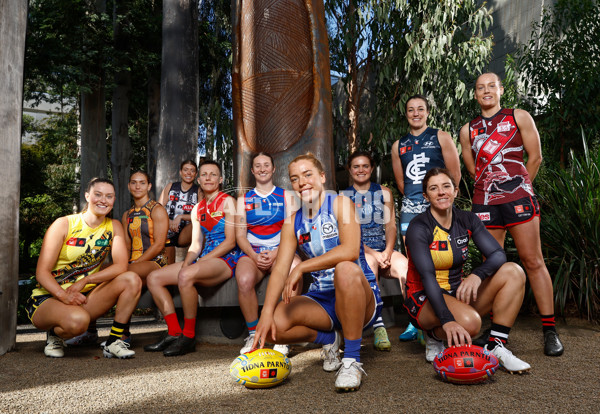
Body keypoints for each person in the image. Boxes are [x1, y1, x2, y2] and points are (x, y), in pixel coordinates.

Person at [252, 153, 383, 392]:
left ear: (322, 177)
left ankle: (352, 360)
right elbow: (280, 268)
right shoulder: (292, 222)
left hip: (359, 296)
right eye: (294, 178)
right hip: (323, 301)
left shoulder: (340, 203)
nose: (302, 182)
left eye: (307, 174)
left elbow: (351, 250)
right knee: (275, 325)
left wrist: (302, 266)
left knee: (345, 268)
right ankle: (329, 339)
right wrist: (265, 313)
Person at [459, 72, 564, 357]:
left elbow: (536, 156)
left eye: (491, 86)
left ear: (501, 89)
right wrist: (494, 192)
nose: (486, 91)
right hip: (485, 202)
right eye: (480, 88)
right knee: (491, 264)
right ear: (476, 94)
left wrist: (519, 189)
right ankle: (495, 331)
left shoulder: (518, 116)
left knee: (533, 260)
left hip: (518, 198)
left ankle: (550, 330)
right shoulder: (468, 129)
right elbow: (472, 170)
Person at [404, 168, 530, 373]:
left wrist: (477, 275)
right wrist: (447, 321)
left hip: (456, 292)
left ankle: (496, 345)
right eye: (434, 188)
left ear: (455, 191)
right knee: (471, 325)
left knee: (513, 272)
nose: (441, 192)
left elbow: (498, 254)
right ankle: (433, 334)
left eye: (446, 186)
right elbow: (427, 277)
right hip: (423, 297)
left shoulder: (467, 219)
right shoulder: (419, 227)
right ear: (426, 197)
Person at [25, 178, 141, 359]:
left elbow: (120, 266)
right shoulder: (64, 224)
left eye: (109, 196)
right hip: (48, 297)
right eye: (98, 194)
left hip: (82, 296)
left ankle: (114, 341)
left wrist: (86, 280)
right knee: (78, 322)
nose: (103, 200)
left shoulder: (114, 226)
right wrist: (64, 295)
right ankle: (55, 334)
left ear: (114, 200)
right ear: (87, 196)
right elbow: (41, 273)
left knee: (131, 279)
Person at [144, 161, 240, 356]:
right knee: (154, 278)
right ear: (199, 179)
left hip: (227, 258)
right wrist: (187, 264)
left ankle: (188, 337)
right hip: (204, 258)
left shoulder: (228, 201)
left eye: (213, 174)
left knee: (186, 276)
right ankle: (173, 331)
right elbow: (195, 245)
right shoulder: (197, 209)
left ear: (220, 180)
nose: (208, 178)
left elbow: (230, 242)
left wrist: (199, 263)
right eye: (204, 174)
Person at [66, 171, 169, 346]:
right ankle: (90, 332)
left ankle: (121, 335)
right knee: (98, 272)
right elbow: (126, 247)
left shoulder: (157, 209)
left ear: (149, 186)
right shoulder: (126, 215)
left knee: (122, 273)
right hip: (133, 263)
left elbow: (159, 245)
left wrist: (136, 262)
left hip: (156, 262)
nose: (137, 186)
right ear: (129, 186)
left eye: (142, 183)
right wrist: (124, 263)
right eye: (134, 183)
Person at [391, 94, 461, 342]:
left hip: (438, 206)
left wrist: (442, 200)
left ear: (428, 112)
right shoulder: (398, 145)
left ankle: (443, 311)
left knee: (442, 256)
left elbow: (454, 174)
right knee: (413, 264)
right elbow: (401, 182)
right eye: (411, 110)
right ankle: (415, 318)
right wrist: (416, 201)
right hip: (412, 207)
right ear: (406, 114)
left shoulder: (441, 136)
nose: (416, 113)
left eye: (420, 109)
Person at [235, 152, 301, 355]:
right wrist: (254, 256)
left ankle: (283, 333)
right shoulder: (243, 199)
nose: (262, 169)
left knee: (295, 269)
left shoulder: (286, 196)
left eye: (266, 165)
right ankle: (254, 333)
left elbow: (294, 231)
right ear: (253, 170)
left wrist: (276, 252)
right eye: (258, 165)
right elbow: (240, 234)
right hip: (252, 253)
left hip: (281, 250)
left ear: (273, 169)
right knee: (244, 279)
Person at [342, 151, 408, 351]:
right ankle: (379, 326)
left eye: (365, 166)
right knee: (370, 265)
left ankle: (418, 322)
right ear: (350, 170)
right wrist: (373, 253)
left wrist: (388, 251)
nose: (361, 170)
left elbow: (390, 226)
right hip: (360, 251)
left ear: (371, 169)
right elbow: (347, 235)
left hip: (384, 249)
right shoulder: (343, 197)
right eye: (356, 166)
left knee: (405, 266)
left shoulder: (384, 192)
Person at [159, 159, 203, 264]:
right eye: (186, 170)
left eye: (192, 170)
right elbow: (158, 208)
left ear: (196, 174)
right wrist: (168, 221)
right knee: (167, 265)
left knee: (201, 225)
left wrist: (181, 217)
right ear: (180, 172)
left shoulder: (198, 190)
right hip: (166, 229)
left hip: (185, 231)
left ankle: (199, 260)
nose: (188, 173)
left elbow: (201, 213)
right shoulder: (171, 186)